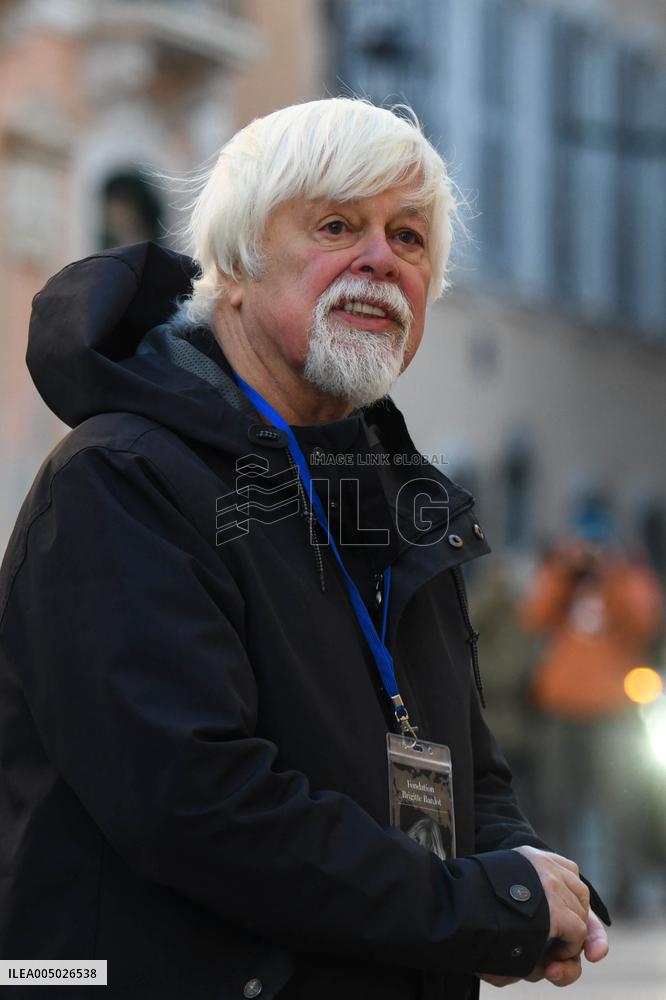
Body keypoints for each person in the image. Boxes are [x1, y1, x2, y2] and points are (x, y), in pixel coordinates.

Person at [0, 98, 609, 1000]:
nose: (380, 259)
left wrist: (522, 872)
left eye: (409, 238)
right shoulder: (120, 480)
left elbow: (462, 767)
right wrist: (476, 906)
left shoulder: (396, 500)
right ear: (235, 266)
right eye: (336, 226)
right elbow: (201, 808)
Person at [520, 501, 664, 911]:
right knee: (556, 803)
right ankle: (557, 891)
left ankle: (624, 891)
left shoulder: (628, 573)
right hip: (561, 708)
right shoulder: (561, 574)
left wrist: (615, 570)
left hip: (614, 709)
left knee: (621, 803)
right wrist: (566, 568)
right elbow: (533, 617)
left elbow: (645, 622)